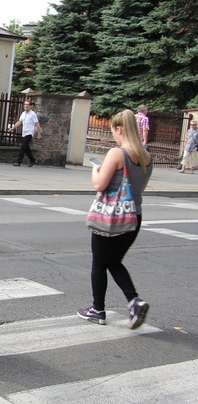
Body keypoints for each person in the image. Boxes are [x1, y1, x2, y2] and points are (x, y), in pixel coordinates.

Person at [77, 109, 153, 329]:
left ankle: (97, 309)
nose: (114, 136)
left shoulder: (117, 153)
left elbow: (99, 184)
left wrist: (96, 169)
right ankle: (134, 301)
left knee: (99, 262)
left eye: (113, 131)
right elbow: (139, 188)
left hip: (112, 217)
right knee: (113, 261)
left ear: (119, 129)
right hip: (134, 216)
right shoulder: (147, 156)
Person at [8, 100, 42, 167]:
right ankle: (33, 160)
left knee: (23, 147)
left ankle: (18, 161)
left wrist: (39, 134)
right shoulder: (23, 113)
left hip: (29, 133)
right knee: (26, 148)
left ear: (30, 106)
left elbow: (37, 124)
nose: (26, 106)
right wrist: (12, 128)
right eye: (25, 104)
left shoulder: (33, 114)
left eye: (27, 104)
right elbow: (19, 122)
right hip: (24, 132)